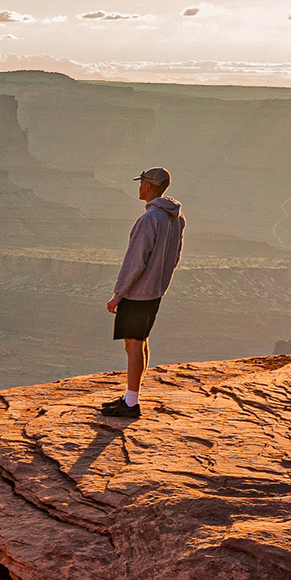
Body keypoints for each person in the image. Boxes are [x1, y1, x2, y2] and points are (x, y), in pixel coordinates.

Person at [100, 166, 185, 418]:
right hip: (155, 291)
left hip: (138, 294)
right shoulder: (176, 218)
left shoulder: (149, 219)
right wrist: (161, 284)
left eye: (141, 183)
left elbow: (136, 260)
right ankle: (130, 396)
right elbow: (175, 256)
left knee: (133, 345)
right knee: (141, 342)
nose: (139, 187)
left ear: (148, 186)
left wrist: (118, 294)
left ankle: (131, 404)